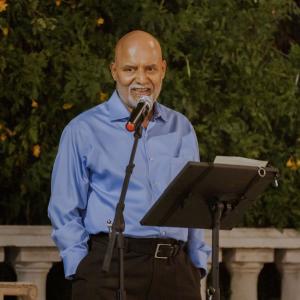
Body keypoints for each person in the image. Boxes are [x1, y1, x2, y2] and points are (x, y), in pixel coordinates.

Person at [48, 30, 211, 300]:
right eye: (129, 69)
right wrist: (81, 269)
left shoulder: (181, 128)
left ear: (163, 70)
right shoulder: (83, 130)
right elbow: (64, 209)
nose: (141, 79)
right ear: (114, 71)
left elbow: (192, 204)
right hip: (110, 266)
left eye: (150, 69)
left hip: (176, 271)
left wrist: (197, 265)